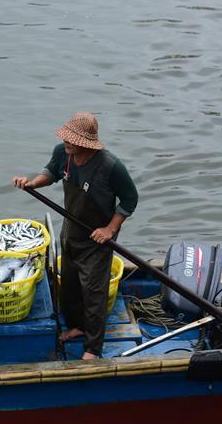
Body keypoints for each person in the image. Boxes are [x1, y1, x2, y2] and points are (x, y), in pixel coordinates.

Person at [13, 112, 138, 360]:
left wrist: (110, 229)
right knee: (69, 285)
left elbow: (130, 199)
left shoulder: (111, 167)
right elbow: (50, 172)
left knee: (93, 293)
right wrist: (32, 183)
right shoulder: (63, 153)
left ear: (86, 143)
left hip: (96, 238)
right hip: (71, 231)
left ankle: (93, 348)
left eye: (72, 139)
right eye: (66, 137)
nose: (66, 142)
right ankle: (77, 327)